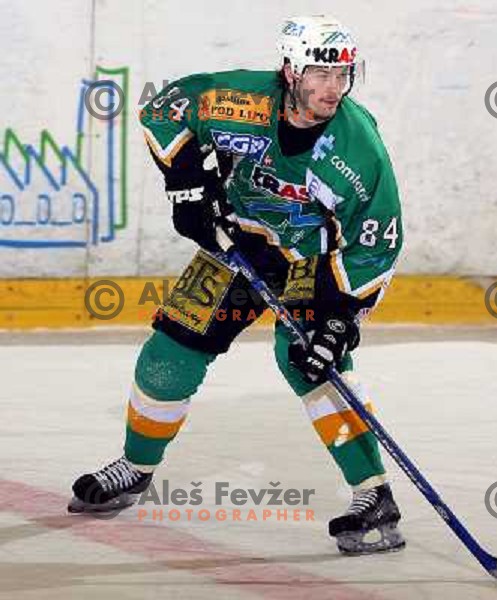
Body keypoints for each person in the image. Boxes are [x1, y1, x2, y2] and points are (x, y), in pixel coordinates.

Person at [69, 15, 405, 555]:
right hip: (239, 238)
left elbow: (379, 241)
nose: (332, 88)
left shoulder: (359, 148)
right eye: (320, 74)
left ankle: (374, 494)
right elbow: (165, 108)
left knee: (308, 361)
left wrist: (338, 316)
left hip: (310, 259)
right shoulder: (241, 99)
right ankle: (135, 468)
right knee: (169, 351)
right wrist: (186, 185)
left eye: (342, 75)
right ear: (290, 70)